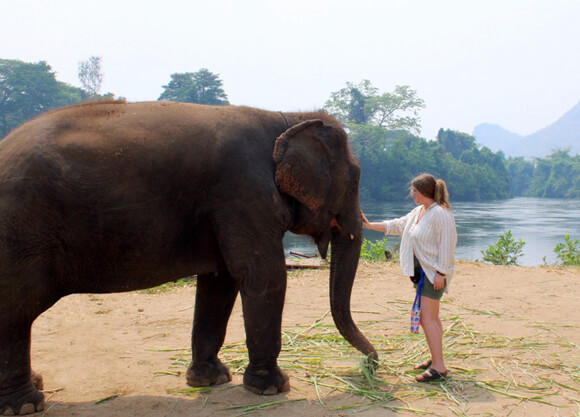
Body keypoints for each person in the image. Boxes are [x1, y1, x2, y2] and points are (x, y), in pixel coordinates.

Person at [361, 173, 457, 382]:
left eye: (413, 191)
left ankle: (439, 367)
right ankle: (435, 358)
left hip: (433, 275)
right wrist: (368, 225)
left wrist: (441, 272)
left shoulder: (441, 214)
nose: (411, 194)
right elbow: (397, 225)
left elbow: (448, 244)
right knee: (432, 318)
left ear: (423, 192)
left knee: (426, 319)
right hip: (422, 274)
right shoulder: (419, 212)